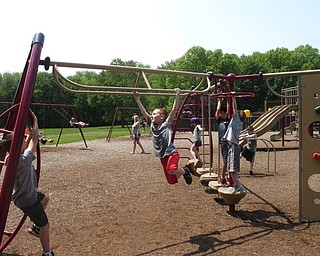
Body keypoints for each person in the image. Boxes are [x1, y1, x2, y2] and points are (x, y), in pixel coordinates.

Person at [1, 111, 54, 256]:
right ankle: (47, 253)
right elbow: (34, 140)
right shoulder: (24, 160)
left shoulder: (9, 158)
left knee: (45, 198)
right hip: (28, 200)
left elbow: (29, 141)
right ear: (18, 146)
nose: (25, 140)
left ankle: (36, 227)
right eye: (22, 139)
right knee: (45, 225)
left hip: (21, 196)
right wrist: (34, 120)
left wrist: (28, 136)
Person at [133, 88, 194, 185]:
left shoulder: (166, 124)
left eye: (154, 113)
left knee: (171, 169)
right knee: (171, 181)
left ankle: (185, 170)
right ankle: (183, 171)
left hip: (171, 153)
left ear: (161, 117)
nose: (151, 115)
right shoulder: (152, 125)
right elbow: (144, 112)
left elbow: (174, 110)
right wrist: (137, 99)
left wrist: (177, 95)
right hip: (162, 156)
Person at [222, 95, 244, 193]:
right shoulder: (237, 122)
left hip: (234, 146)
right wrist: (228, 100)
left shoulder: (236, 120)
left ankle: (237, 185)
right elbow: (230, 108)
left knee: (232, 169)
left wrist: (233, 98)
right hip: (231, 145)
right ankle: (236, 184)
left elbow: (234, 108)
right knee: (230, 168)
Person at [215, 98, 229, 186]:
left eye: (224, 113)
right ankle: (222, 177)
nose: (223, 114)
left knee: (230, 160)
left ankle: (227, 175)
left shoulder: (228, 120)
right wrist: (219, 101)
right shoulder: (219, 120)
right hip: (223, 142)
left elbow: (229, 109)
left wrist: (228, 100)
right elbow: (217, 111)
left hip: (229, 141)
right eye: (222, 113)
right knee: (225, 161)